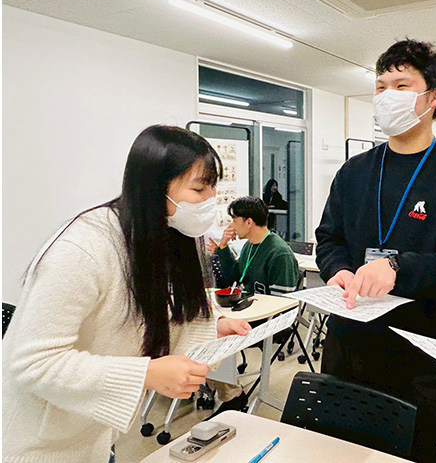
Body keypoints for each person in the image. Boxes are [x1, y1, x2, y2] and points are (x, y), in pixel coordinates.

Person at [2, 125, 252, 463]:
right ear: (154, 187)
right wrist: (147, 373)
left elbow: (151, 313)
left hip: (94, 438)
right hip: (32, 446)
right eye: (199, 188)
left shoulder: (166, 236)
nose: (210, 200)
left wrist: (213, 327)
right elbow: (34, 363)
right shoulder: (84, 248)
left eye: (213, 188)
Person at [315, 39, 436, 463]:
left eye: (400, 85)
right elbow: (329, 238)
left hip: (416, 354)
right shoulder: (355, 170)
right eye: (380, 86)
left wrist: (399, 268)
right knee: (339, 450)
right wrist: (337, 269)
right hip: (346, 345)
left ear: (435, 96)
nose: (385, 96)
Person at [207, 196, 300, 296]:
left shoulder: (280, 254)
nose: (231, 226)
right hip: (246, 303)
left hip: (263, 305)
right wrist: (223, 247)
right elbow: (233, 279)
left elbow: (283, 301)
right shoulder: (249, 245)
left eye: (234, 221)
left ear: (248, 222)